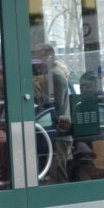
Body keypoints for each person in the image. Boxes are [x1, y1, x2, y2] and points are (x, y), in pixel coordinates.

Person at [33, 43, 72, 184]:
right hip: (53, 131)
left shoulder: (54, 75)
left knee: (58, 173)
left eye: (40, 55)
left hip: (58, 132)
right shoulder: (50, 74)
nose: (37, 59)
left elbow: (57, 107)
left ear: (50, 57)